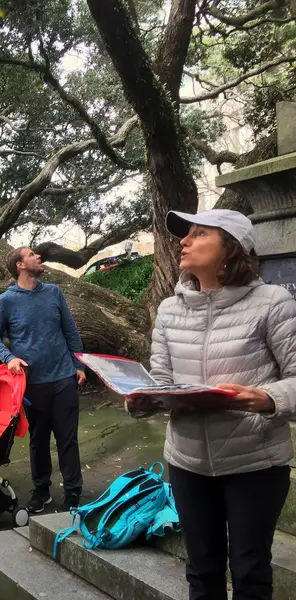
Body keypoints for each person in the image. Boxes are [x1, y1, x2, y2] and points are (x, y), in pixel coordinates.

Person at [127, 209, 296, 600]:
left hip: (254, 462)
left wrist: (269, 398)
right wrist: (141, 400)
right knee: (201, 571)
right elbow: (162, 383)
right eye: (186, 235)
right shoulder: (170, 310)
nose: (183, 241)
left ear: (230, 250)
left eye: (199, 234)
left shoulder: (272, 304)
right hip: (188, 463)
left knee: (250, 571)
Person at [0, 247, 87, 513]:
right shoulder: (6, 300)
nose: (39, 257)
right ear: (20, 265)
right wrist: (9, 358)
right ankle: (41, 490)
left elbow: (70, 331)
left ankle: (73, 491)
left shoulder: (53, 292)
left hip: (64, 377)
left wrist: (78, 364)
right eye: (32, 254)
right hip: (32, 384)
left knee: (68, 438)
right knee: (39, 438)